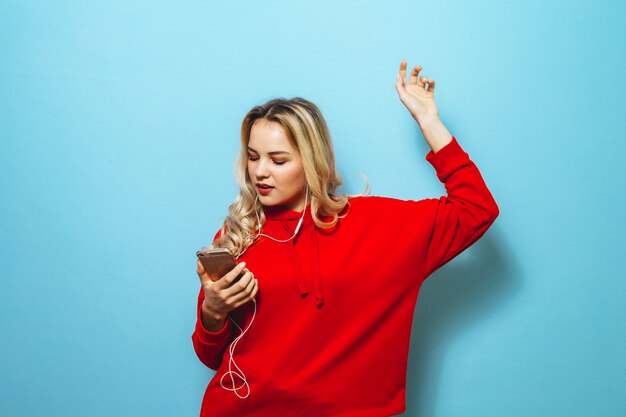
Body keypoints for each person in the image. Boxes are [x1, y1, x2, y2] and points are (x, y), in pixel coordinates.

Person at [192, 59, 499, 416]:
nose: (260, 172)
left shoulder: (380, 225)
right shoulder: (238, 234)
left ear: (311, 160)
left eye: (278, 160)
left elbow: (476, 207)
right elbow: (210, 356)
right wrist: (212, 312)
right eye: (253, 157)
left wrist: (429, 121)